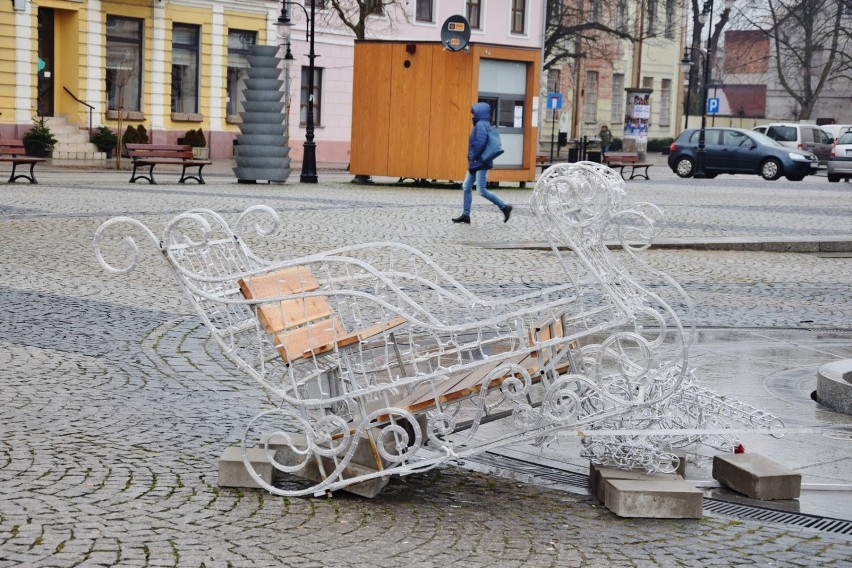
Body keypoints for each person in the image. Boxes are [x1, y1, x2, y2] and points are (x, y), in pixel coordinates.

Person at [452, 102, 512, 224]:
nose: (472, 115)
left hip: (480, 162)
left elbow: (479, 143)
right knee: (466, 186)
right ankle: (465, 215)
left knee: (481, 189)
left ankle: (504, 207)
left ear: (480, 112)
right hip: (476, 162)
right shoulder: (483, 124)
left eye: (474, 112)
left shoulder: (480, 125)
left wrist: (473, 157)